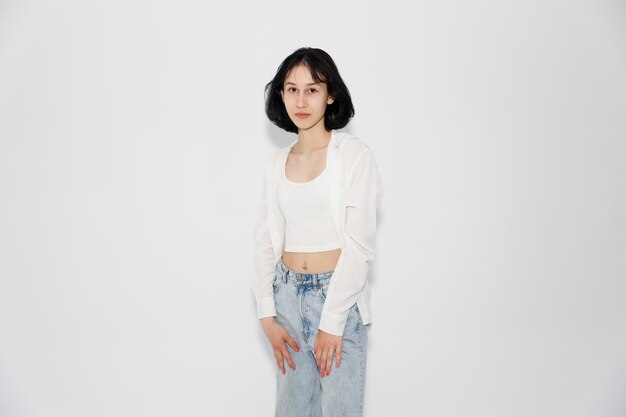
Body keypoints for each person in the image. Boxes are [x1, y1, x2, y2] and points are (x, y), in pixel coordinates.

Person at [252, 47, 383, 417]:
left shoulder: (353, 155)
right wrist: (266, 313)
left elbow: (360, 247)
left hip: (337, 297)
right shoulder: (275, 164)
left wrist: (332, 321)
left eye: (312, 89)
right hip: (287, 300)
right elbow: (264, 242)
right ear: (281, 95)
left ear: (331, 95)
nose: (301, 100)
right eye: (291, 89)